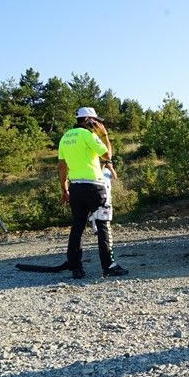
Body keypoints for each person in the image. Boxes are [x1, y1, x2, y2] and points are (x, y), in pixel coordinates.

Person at [58, 107, 128, 279]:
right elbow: (107, 155)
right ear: (89, 120)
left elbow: (62, 166)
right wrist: (104, 135)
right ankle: (109, 266)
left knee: (78, 226)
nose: (98, 124)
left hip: (75, 187)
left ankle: (76, 267)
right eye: (96, 121)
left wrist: (64, 188)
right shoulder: (89, 135)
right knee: (103, 225)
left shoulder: (65, 137)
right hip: (94, 186)